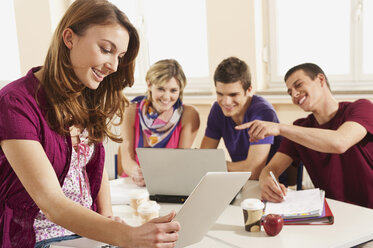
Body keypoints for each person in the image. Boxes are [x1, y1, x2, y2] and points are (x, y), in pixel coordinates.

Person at [0, 0, 180, 247]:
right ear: (69, 38)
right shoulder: (15, 102)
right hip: (37, 237)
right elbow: (51, 202)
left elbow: (92, 168)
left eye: (120, 56)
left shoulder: (86, 97)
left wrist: (108, 218)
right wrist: (128, 236)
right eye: (106, 49)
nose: (114, 66)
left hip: (86, 235)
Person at [236, 62, 373, 209]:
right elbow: (270, 169)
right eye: (290, 92)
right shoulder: (300, 128)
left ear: (321, 80)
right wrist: (267, 182)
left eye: (299, 85)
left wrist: (280, 128)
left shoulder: (362, 108)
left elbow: (339, 142)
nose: (294, 94)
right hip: (336, 211)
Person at [200, 57, 286, 182]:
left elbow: (253, 172)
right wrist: (209, 164)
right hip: (238, 181)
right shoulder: (217, 110)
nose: (226, 102)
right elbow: (203, 157)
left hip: (267, 185)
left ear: (249, 90)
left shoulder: (263, 112)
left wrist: (216, 165)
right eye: (220, 94)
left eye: (233, 95)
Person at [119, 59, 200, 186]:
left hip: (169, 182)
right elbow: (126, 158)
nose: (167, 97)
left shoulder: (189, 115)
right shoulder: (131, 110)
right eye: (161, 89)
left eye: (173, 90)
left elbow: (181, 163)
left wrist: (155, 177)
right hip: (135, 184)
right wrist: (136, 172)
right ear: (149, 84)